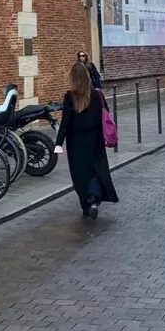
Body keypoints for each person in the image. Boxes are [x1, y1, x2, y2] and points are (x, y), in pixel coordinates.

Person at [53, 60, 118, 220]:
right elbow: (105, 113)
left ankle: (86, 203)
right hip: (95, 139)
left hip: (76, 142)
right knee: (96, 171)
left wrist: (58, 143)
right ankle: (94, 198)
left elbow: (66, 122)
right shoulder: (96, 94)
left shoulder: (69, 97)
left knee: (79, 174)